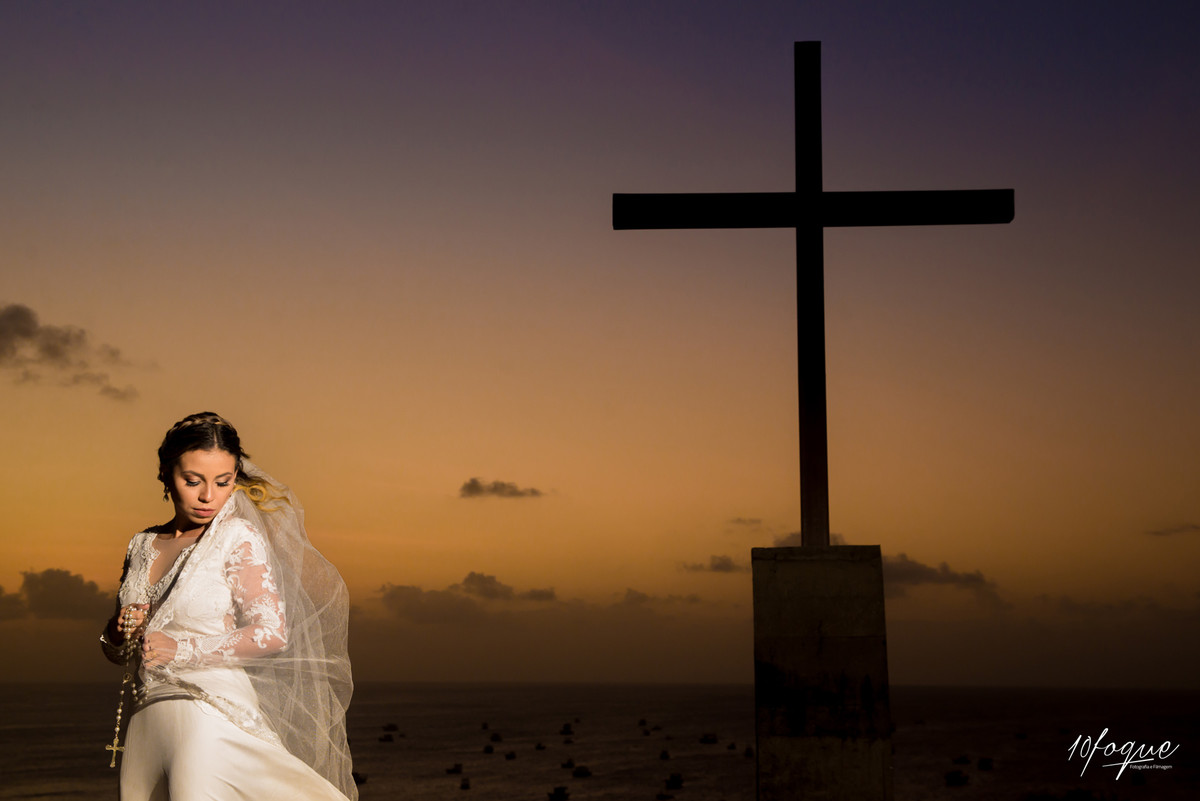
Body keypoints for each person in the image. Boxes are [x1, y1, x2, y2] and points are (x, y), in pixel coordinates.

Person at [101, 412, 356, 800]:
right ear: (166, 475)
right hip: (144, 721)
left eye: (223, 482)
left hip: (208, 716)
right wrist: (118, 632)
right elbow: (118, 653)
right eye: (193, 481)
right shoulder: (140, 545)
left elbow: (271, 634)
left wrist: (179, 649)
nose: (208, 496)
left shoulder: (237, 537)